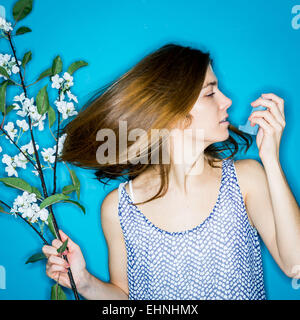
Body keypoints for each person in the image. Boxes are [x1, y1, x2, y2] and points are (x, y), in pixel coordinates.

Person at [42, 43, 300, 300]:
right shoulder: (120, 207)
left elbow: (295, 264)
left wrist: (271, 160)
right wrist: (84, 282)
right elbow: (124, 298)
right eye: (210, 93)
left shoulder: (246, 180)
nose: (227, 101)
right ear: (172, 112)